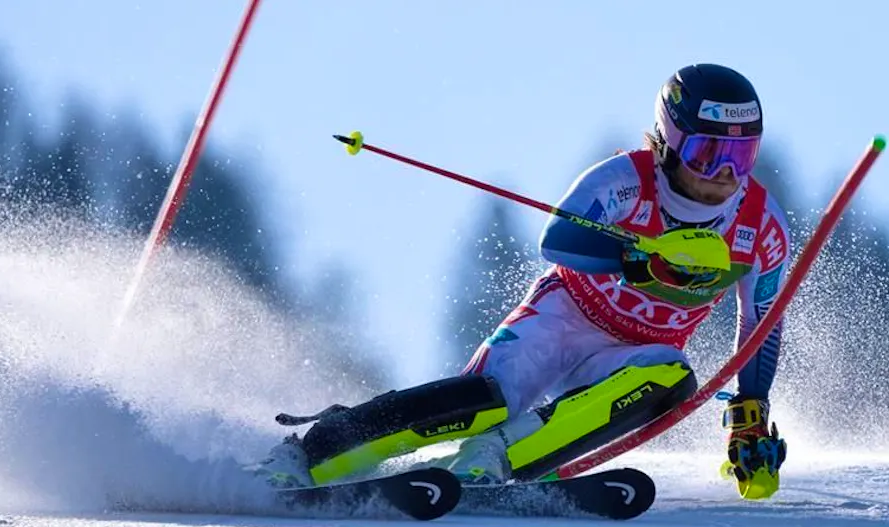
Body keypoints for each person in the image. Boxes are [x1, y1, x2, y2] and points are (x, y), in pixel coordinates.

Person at [253, 63, 790, 500]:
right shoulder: (625, 181)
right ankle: (309, 452)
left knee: (672, 378)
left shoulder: (760, 226)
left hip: (635, 355)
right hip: (563, 318)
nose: (725, 174)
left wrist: (750, 414)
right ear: (672, 143)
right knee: (484, 400)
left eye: (742, 156)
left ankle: (495, 458)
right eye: (707, 153)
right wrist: (637, 261)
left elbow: (761, 320)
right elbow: (555, 241)